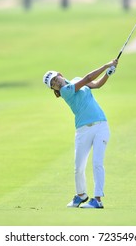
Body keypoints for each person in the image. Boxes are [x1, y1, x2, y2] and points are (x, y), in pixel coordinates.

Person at [43, 59, 118, 208]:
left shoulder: (77, 80)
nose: (56, 83)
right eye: (53, 84)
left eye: (55, 79)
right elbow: (88, 79)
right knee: (79, 167)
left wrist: (108, 73)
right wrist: (106, 65)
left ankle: (97, 200)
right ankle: (81, 195)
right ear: (54, 88)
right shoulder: (65, 91)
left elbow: (96, 84)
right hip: (83, 130)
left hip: (101, 125)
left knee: (97, 163)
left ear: (60, 74)